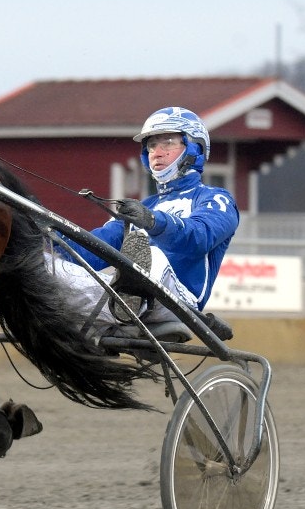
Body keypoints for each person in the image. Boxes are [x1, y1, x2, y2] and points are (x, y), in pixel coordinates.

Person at [52, 106, 239, 341]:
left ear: (194, 147)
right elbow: (96, 249)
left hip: (178, 304)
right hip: (122, 299)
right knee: (47, 264)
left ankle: (126, 310)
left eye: (168, 143)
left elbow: (199, 238)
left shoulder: (215, 198)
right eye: (151, 146)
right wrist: (49, 238)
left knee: (150, 252)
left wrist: (153, 222)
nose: (157, 153)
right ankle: (124, 313)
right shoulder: (145, 205)